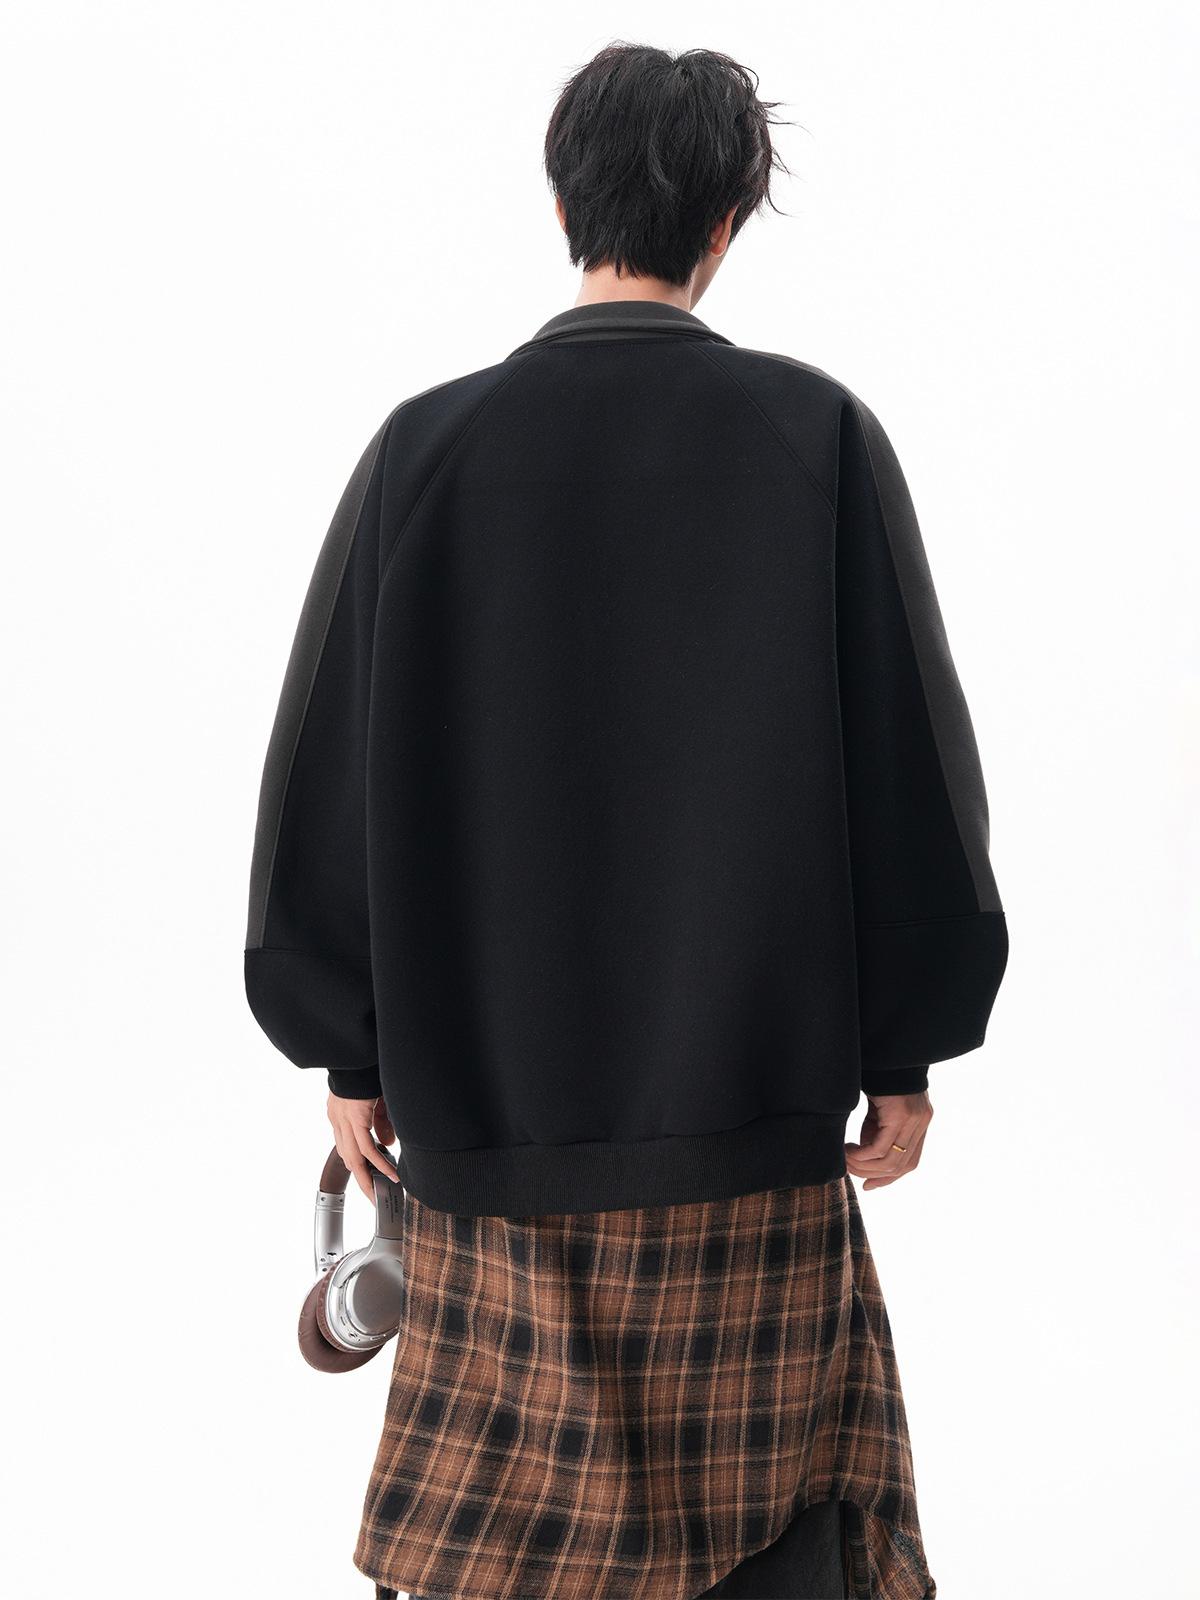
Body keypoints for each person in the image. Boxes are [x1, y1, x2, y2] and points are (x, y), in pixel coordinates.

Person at [244, 41, 1007, 1600]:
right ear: (727, 220)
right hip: (751, 1145)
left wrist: (349, 1049)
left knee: (499, 1554)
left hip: (488, 1149)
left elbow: (325, 772)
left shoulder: (424, 453)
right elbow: (909, 765)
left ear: (559, 201)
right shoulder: (817, 439)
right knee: (782, 1538)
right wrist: (907, 1052)